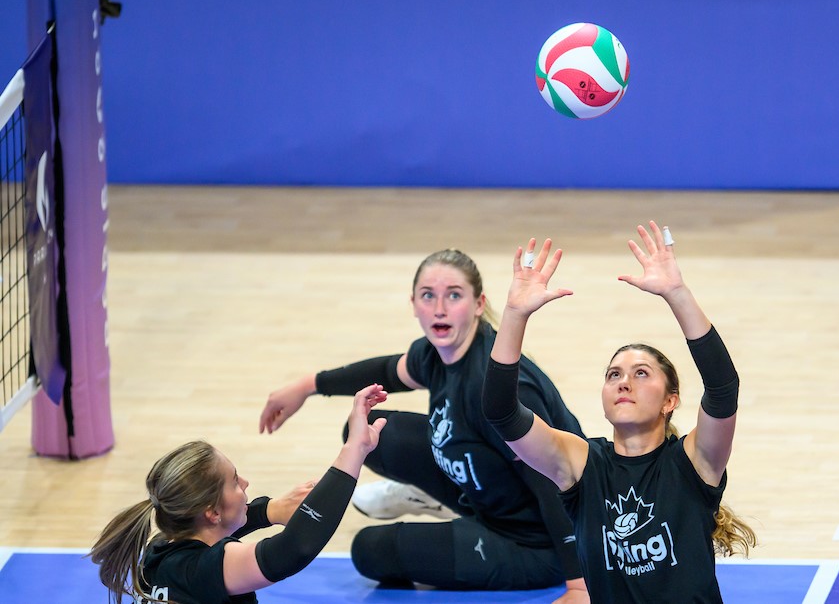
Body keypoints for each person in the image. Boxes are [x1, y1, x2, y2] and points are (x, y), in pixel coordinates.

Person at [258, 249, 589, 601]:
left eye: (454, 295)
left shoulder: (496, 388)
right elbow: (388, 372)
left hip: (537, 543)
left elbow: (553, 482)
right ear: (414, 304)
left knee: (371, 551)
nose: (440, 308)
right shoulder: (436, 353)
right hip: (491, 490)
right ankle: (447, 497)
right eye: (428, 295)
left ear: (479, 304)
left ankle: (468, 519)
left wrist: (580, 583)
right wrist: (309, 385)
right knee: (374, 430)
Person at [482, 222, 757, 603]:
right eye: (614, 374)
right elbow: (501, 412)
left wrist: (677, 293)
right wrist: (514, 314)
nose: (623, 382)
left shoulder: (694, 464)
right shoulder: (582, 465)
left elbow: (724, 389)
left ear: (670, 401)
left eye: (641, 374)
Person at [90, 384, 389, 604]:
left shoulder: (160, 549)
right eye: (234, 481)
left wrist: (269, 510)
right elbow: (293, 549)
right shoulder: (200, 571)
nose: (245, 482)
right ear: (212, 512)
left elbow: (220, 534)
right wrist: (355, 450)